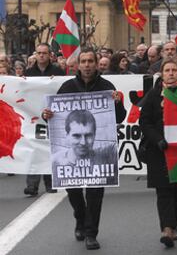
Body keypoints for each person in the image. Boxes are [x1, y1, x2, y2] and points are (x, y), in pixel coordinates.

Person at [42, 47, 126, 250]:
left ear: (97, 64)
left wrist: (117, 103)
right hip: (71, 162)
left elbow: (120, 117)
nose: (87, 65)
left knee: (95, 194)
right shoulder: (67, 87)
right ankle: (80, 218)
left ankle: (91, 233)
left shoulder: (107, 86)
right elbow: (56, 118)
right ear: (78, 65)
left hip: (96, 159)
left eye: (90, 61)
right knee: (74, 193)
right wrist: (47, 115)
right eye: (84, 61)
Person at [139, 58, 177, 248]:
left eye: (174, 70)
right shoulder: (153, 95)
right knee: (163, 190)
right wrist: (158, 139)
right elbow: (145, 122)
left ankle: (174, 223)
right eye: (167, 70)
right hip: (159, 149)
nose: (171, 73)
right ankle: (167, 229)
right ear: (161, 74)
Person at [24, 43, 65, 196]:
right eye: (39, 53)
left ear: (50, 55)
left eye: (44, 53)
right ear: (36, 55)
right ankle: (32, 186)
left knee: (50, 149)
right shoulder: (29, 72)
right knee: (34, 149)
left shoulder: (57, 71)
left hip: (52, 115)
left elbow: (63, 90)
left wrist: (57, 80)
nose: (41, 56)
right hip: (33, 116)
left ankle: (50, 183)